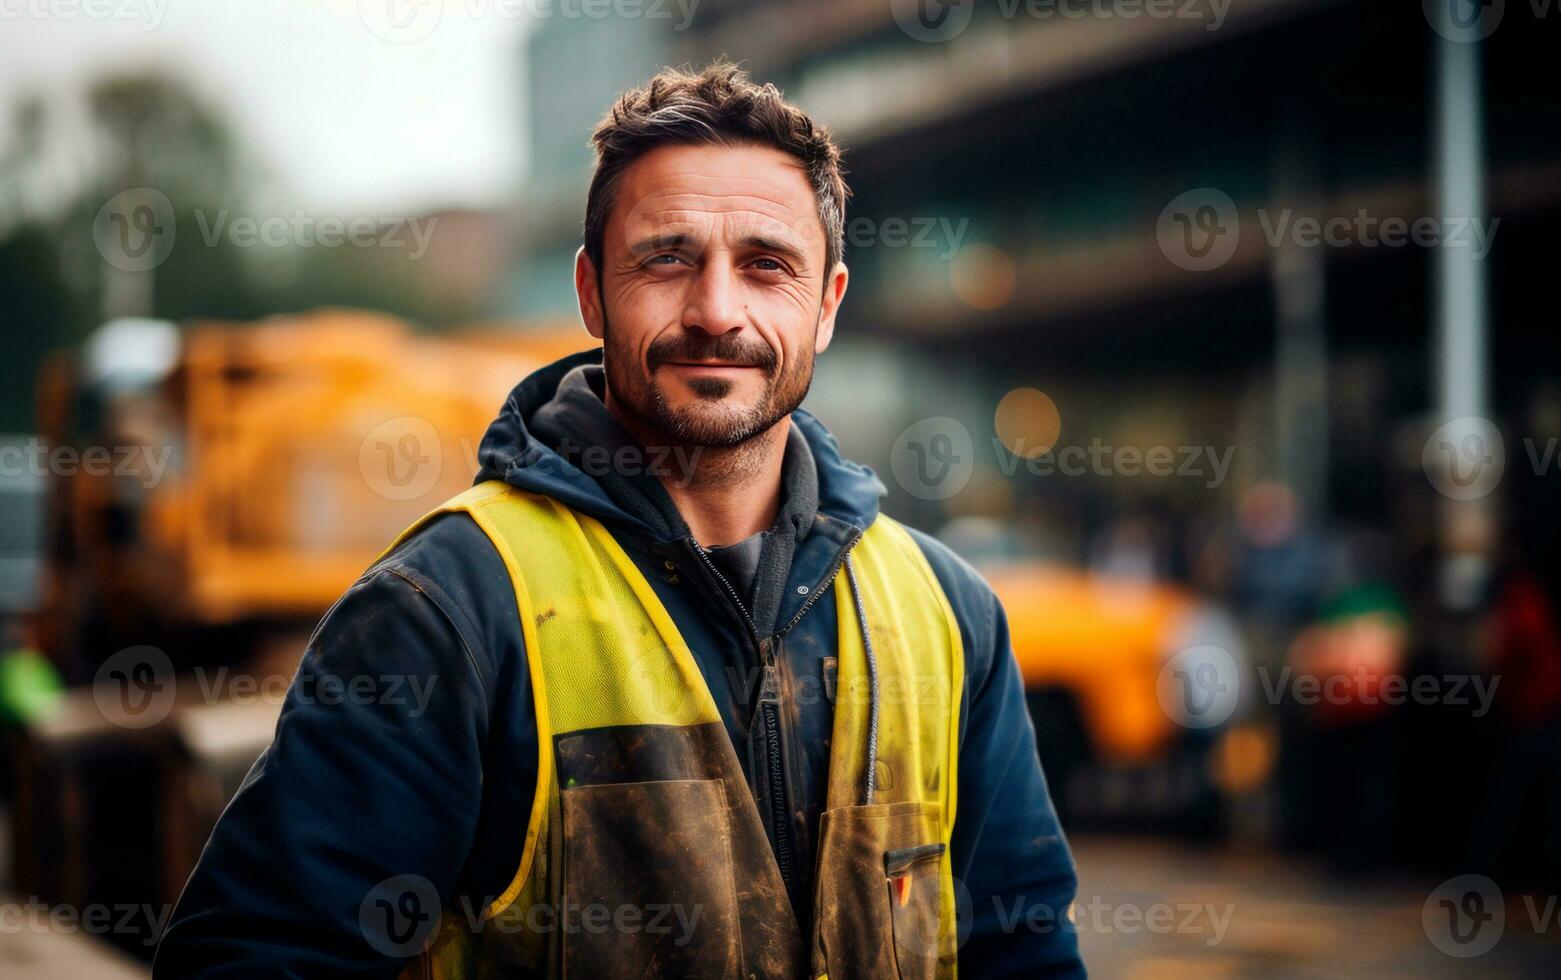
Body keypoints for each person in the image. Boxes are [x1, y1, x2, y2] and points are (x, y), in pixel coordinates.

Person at [154, 62, 1082, 979]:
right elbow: (254, 960)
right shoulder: (448, 611)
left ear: (827, 305)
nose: (717, 312)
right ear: (592, 292)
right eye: (667, 258)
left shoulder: (948, 615)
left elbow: (1022, 952)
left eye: (766, 266)